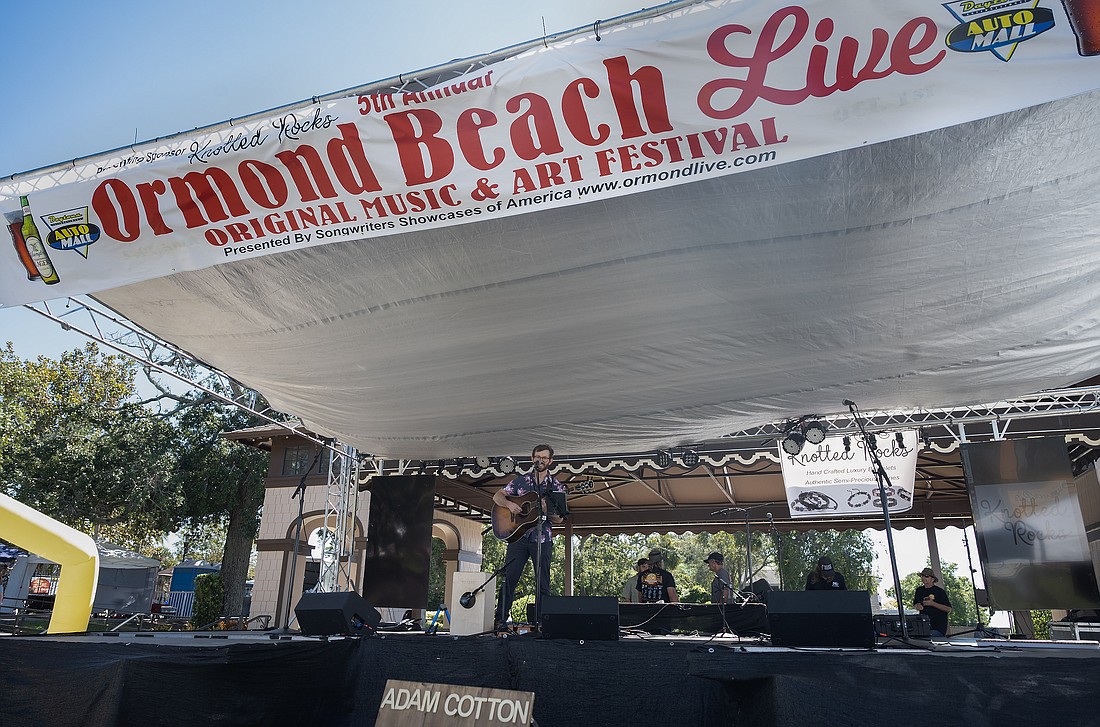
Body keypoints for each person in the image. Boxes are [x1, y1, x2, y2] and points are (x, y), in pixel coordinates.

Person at [492, 444, 566, 626]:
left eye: (544, 458)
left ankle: (542, 622)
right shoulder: (520, 481)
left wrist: (547, 510)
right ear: (532, 458)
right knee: (510, 578)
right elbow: (497, 496)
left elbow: (559, 520)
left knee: (543, 582)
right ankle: (500, 619)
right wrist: (509, 505)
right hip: (518, 537)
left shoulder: (556, 486)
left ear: (550, 461)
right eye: (537, 457)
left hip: (543, 539)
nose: (540, 460)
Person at [913, 567, 952, 637]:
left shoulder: (940, 591)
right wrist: (918, 606)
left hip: (938, 627)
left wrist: (933, 604)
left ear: (933, 579)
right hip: (923, 626)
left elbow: (948, 609)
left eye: (926, 576)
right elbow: (916, 604)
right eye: (922, 576)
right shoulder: (919, 590)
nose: (924, 578)